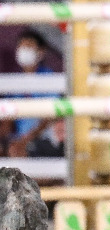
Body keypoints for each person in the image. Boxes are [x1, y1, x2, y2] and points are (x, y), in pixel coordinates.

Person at [2, 30, 65, 158]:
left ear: (40, 52)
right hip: (19, 140)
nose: (24, 50)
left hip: (44, 139)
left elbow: (50, 117)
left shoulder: (50, 78)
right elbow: (8, 122)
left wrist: (25, 141)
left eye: (29, 46)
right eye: (21, 46)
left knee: (19, 153)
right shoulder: (13, 81)